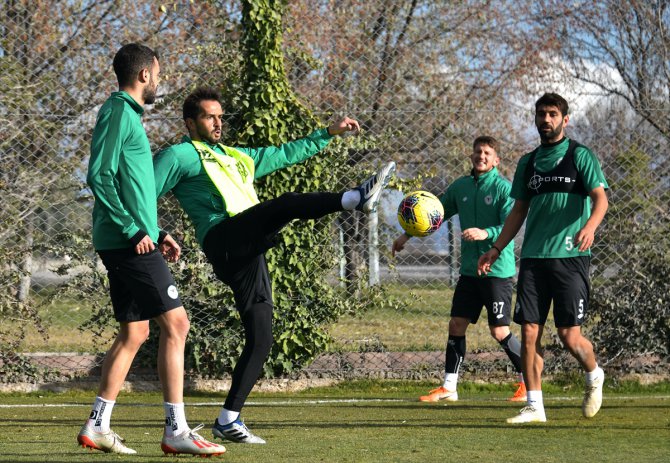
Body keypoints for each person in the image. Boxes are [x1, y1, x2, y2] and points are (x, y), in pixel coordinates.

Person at [153, 86, 395, 444]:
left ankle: (228, 418)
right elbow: (144, 191)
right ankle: (356, 198)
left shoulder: (237, 156)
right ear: (190, 122)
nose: (218, 122)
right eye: (209, 117)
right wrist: (156, 232)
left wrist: (327, 133)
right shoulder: (179, 155)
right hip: (223, 238)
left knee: (262, 336)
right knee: (286, 204)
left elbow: (284, 154)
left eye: (221, 116)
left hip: (248, 249)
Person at [78, 44, 226, 456]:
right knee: (177, 324)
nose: (159, 81)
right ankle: (176, 431)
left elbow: (131, 187)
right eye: (158, 74)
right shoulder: (118, 113)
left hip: (131, 238)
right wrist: (132, 230)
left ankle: (98, 426)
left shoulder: (128, 117)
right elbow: (100, 177)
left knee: (136, 331)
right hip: (125, 243)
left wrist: (156, 230)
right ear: (144, 75)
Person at [478, 92, 608, 423]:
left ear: (565, 120)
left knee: (569, 337)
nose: (545, 120)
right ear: (535, 119)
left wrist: (591, 226)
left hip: (570, 257)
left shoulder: (581, 156)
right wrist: (496, 248)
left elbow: (600, 199)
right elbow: (518, 210)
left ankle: (594, 374)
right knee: (530, 331)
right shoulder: (528, 162)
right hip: (534, 258)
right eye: (540, 114)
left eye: (552, 114)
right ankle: (535, 405)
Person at [392, 136, 526, 403]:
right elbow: (433, 214)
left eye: (488, 153)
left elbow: (511, 224)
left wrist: (484, 232)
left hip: (496, 270)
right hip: (469, 271)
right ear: (472, 156)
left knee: (499, 331)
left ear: (496, 160)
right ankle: (449, 387)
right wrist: (406, 235)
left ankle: (528, 381)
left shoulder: (503, 189)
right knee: (456, 324)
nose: (482, 156)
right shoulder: (461, 187)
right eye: (478, 151)